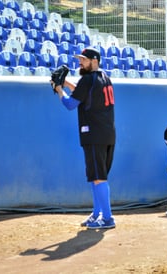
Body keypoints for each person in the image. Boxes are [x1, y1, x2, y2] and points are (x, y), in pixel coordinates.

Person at [51, 47, 116, 229]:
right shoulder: (104, 76)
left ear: (94, 61)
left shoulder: (87, 79)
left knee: (99, 177)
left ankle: (108, 218)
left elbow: (71, 104)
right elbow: (84, 91)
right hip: (107, 134)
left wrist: (59, 90)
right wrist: (67, 84)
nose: (80, 62)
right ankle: (97, 214)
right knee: (96, 176)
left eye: (84, 60)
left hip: (94, 134)